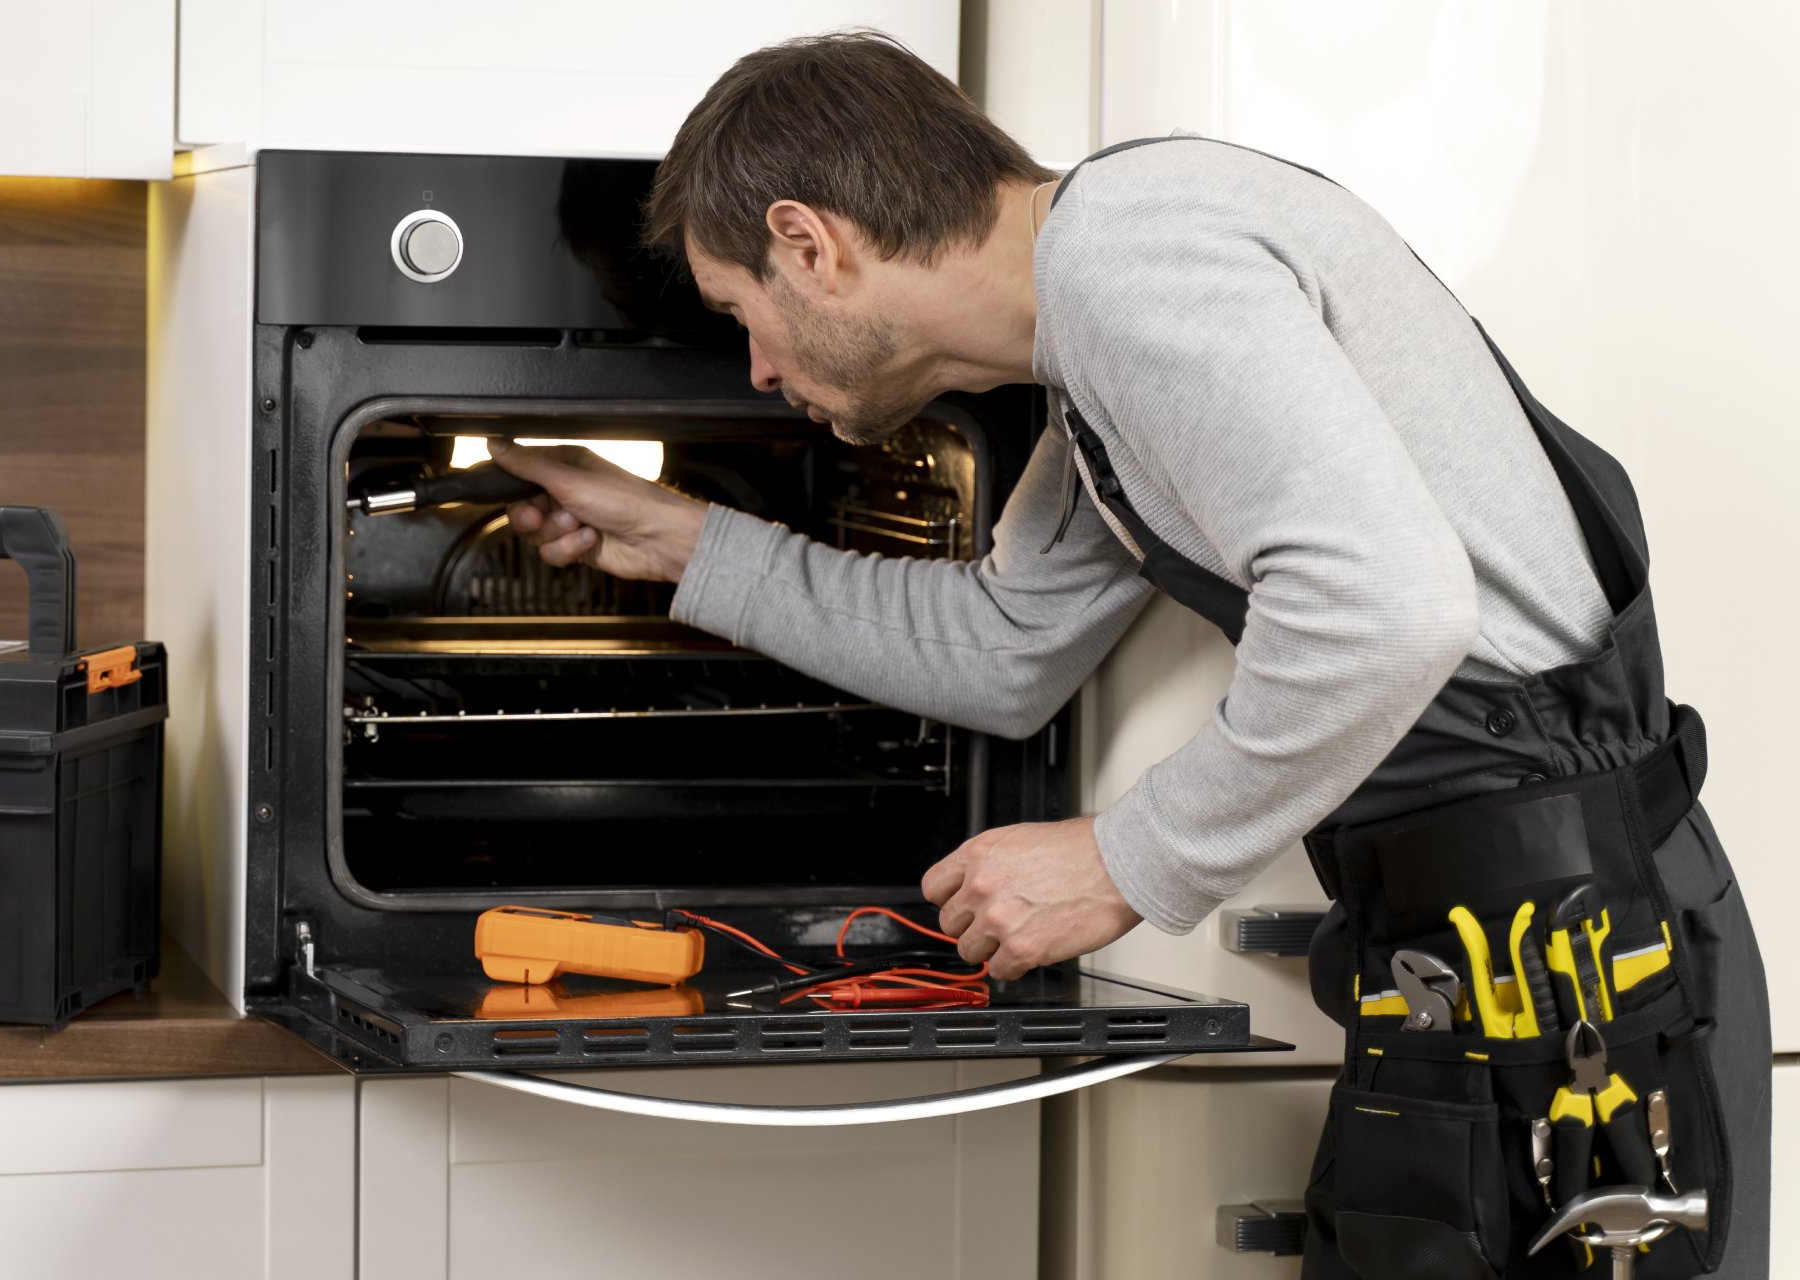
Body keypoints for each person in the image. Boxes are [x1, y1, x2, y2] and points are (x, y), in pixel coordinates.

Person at [489, 31, 1769, 1278]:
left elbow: (1390, 606)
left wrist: (1124, 855)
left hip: (1582, 967)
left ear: (807, 243)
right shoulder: (1097, 344)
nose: (760, 369)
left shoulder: (1131, 258)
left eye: (742, 316)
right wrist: (679, 543)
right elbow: (1005, 647)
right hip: (1483, 956)